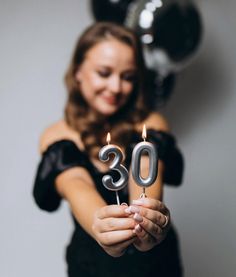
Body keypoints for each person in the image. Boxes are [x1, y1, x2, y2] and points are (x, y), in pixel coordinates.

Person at [33, 22, 184, 277]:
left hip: (155, 265)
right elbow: (75, 182)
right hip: (92, 266)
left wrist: (146, 221)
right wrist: (100, 226)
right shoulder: (57, 136)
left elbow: (146, 172)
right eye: (104, 73)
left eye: (128, 77)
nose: (116, 87)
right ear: (78, 71)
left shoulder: (151, 124)